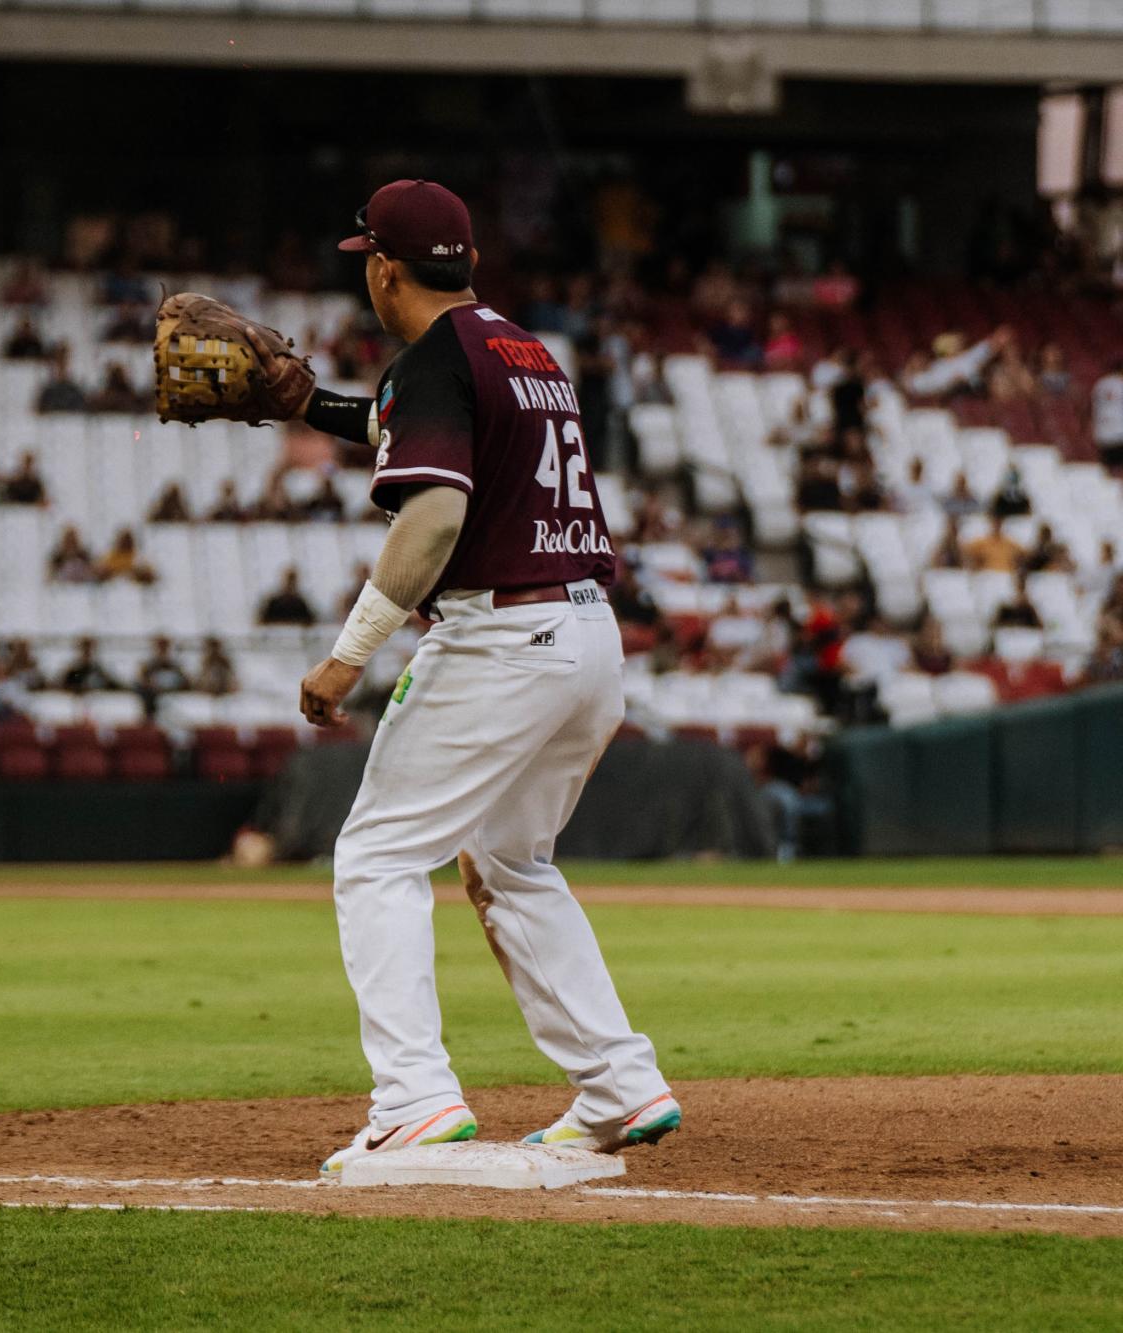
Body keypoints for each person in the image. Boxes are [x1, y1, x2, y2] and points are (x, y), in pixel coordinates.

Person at [286, 180, 675, 1175]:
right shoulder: (522, 349)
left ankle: (412, 1096)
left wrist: (347, 653)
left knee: (375, 855)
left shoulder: (429, 362)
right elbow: (423, 432)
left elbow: (433, 516)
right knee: (510, 861)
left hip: (501, 636)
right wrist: (300, 404)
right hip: (585, 634)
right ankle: (617, 1084)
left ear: (382, 267)